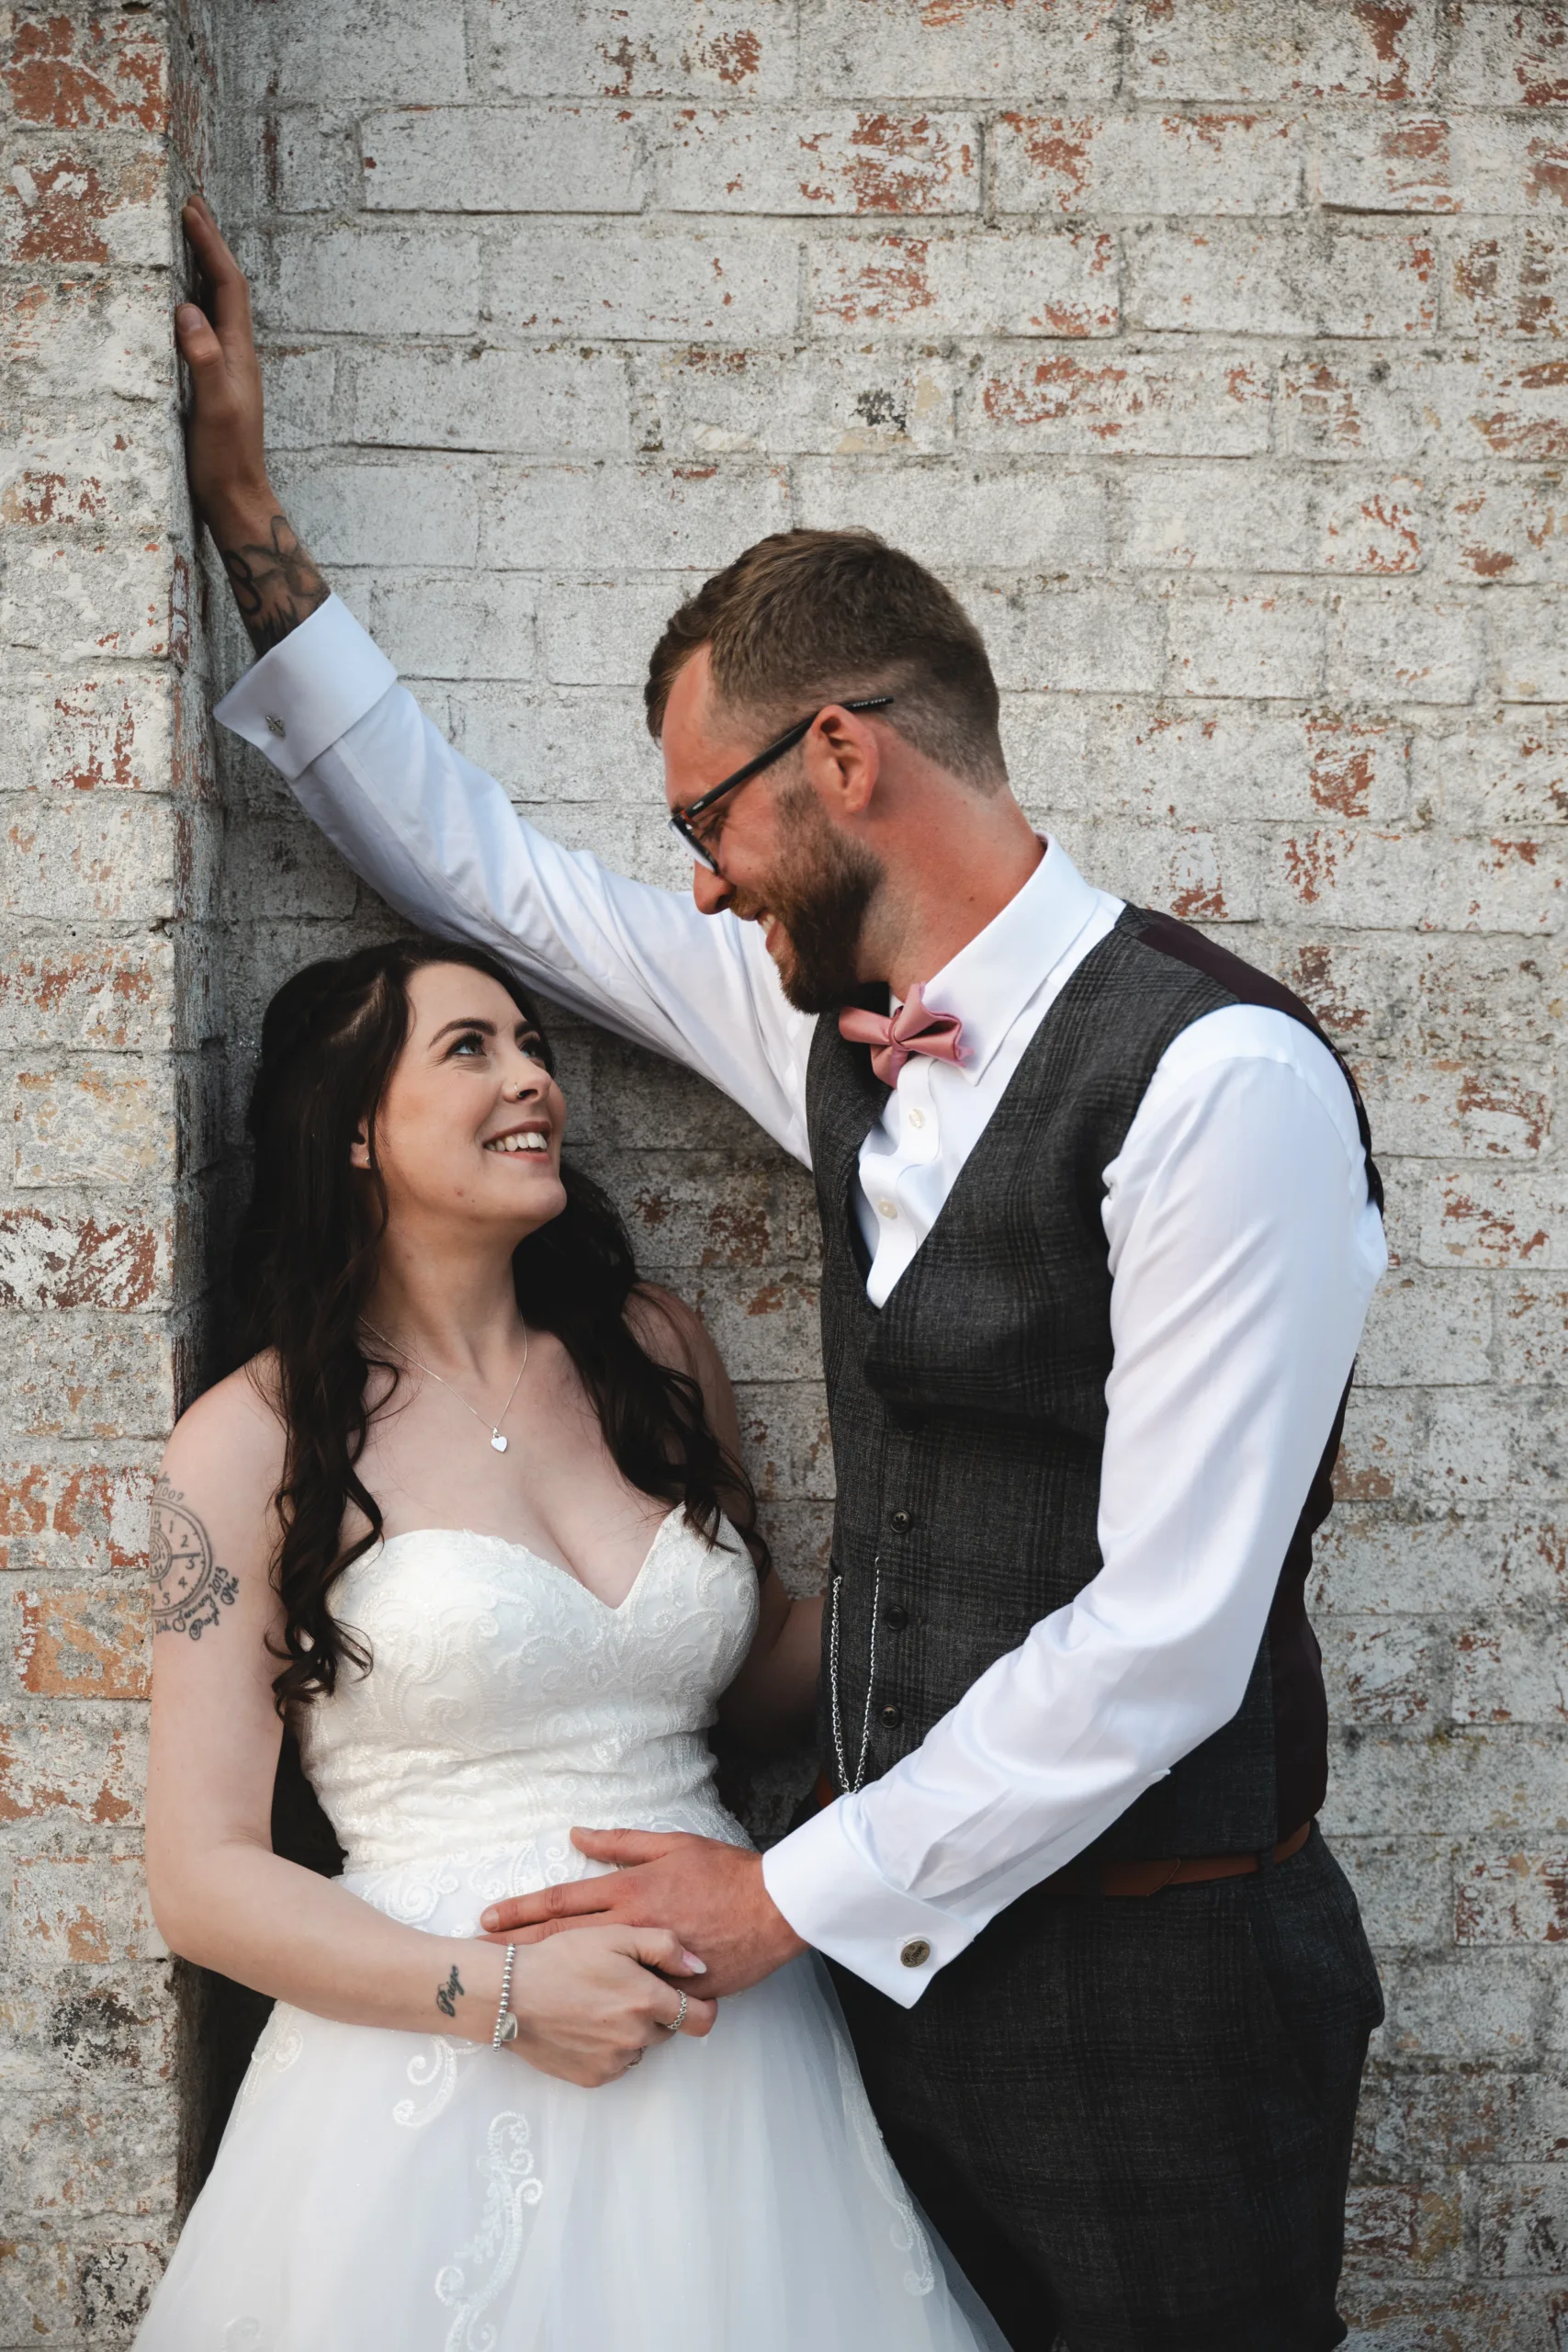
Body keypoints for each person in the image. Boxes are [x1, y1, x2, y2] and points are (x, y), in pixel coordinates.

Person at [175, 192, 1389, 2352]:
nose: (697, 881)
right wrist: (252, 525)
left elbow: (1171, 1630)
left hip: (1147, 1997)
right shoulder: (807, 1023)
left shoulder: (1218, 1086)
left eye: (709, 821)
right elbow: (488, 877)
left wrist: (778, 1889)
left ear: (840, 758)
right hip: (854, 2032)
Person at [136, 932, 1001, 2350]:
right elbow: (202, 1879)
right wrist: (507, 1995)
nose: (532, 1078)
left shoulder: (649, 1351)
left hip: (732, 2048)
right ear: (350, 1129)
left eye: (532, 1043)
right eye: (468, 1049)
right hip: (428, 2068)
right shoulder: (251, 1440)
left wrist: (954, 1555)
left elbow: (763, 1683)